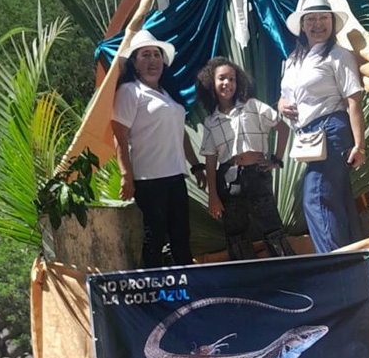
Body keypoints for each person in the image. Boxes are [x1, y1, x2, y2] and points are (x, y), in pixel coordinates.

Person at [279, 0, 366, 253]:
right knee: (334, 200)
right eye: (312, 19)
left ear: (332, 22)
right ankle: (349, 265)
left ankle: (332, 265)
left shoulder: (338, 55)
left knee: (316, 199)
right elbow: (285, 96)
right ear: (303, 25)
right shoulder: (294, 60)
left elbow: (354, 101)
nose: (318, 24)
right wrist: (281, 105)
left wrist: (360, 145)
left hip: (331, 130)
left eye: (323, 18)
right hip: (309, 137)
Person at [111, 30, 206, 268]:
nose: (152, 60)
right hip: (148, 180)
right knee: (153, 240)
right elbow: (119, 135)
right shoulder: (130, 92)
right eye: (145, 55)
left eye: (156, 54)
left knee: (181, 238)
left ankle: (188, 291)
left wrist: (196, 166)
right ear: (134, 62)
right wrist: (126, 175)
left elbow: (180, 133)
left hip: (175, 176)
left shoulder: (167, 94)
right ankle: (152, 294)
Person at [196, 57, 295, 260]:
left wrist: (275, 159)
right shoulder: (211, 121)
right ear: (211, 83)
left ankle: (288, 271)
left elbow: (282, 128)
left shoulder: (253, 106)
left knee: (271, 226)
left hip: (256, 173)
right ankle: (247, 279)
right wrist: (213, 196)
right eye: (222, 78)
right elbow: (211, 160)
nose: (227, 84)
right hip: (229, 178)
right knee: (235, 233)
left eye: (232, 79)